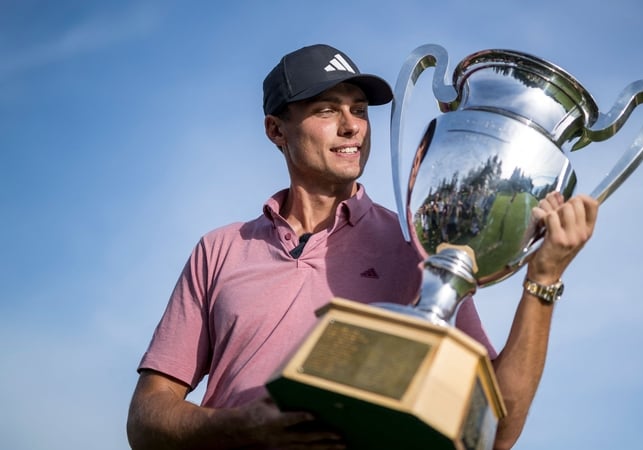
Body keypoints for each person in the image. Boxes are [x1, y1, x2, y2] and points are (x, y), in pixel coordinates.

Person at [126, 44, 599, 450]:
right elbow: (146, 419)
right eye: (327, 110)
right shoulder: (221, 248)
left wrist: (544, 277)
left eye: (358, 109)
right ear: (276, 130)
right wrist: (244, 426)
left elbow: (496, 431)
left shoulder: (416, 245)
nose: (352, 126)